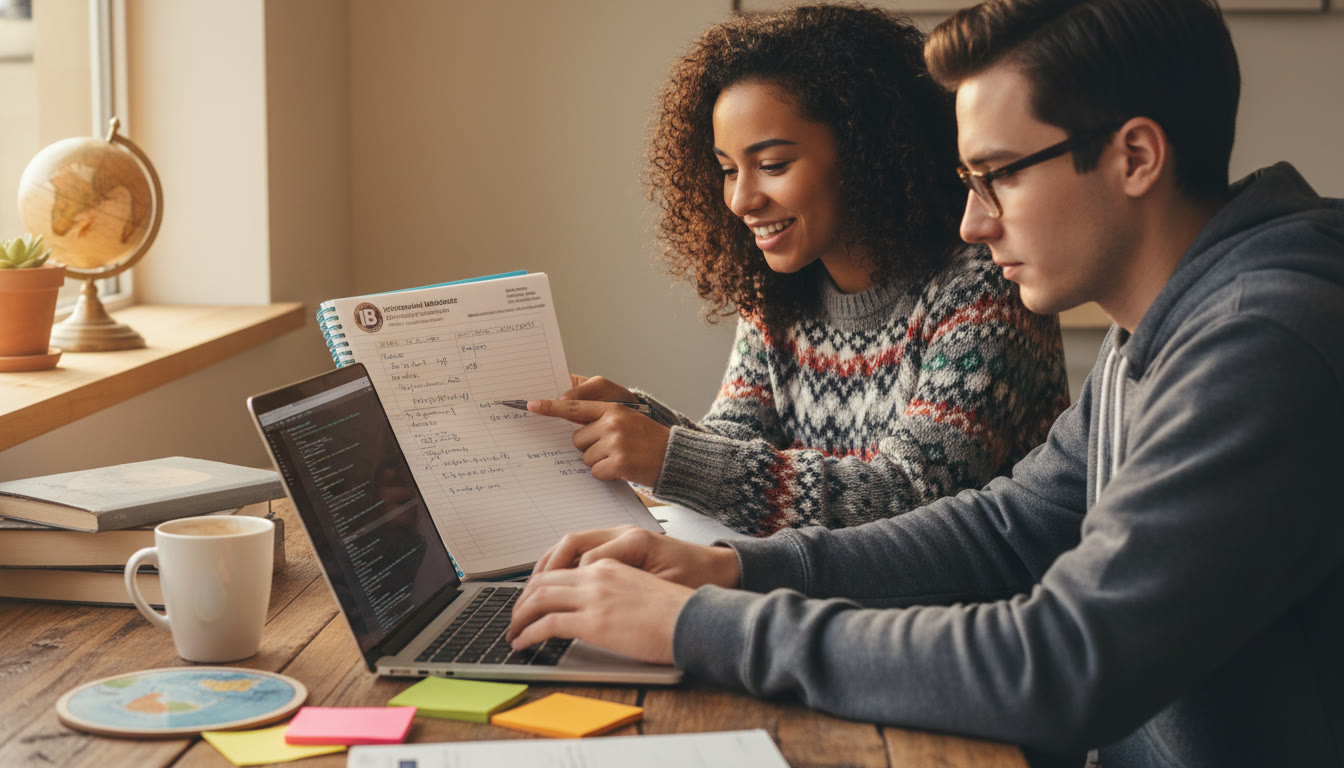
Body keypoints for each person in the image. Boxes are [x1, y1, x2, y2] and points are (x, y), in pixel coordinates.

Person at [506, 0, 1344, 765]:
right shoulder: (1162, 326)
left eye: (999, 176)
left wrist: (700, 625)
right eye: (966, 183)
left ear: (1134, 156)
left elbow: (1061, 663)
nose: (974, 222)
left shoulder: (1259, 340)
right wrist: (734, 571)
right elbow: (1010, 527)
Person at [526, 4, 1069, 535]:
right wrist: (638, 419)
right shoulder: (776, 292)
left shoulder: (984, 286)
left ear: (865, 151)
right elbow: (734, 443)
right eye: (727, 169)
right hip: (832, 601)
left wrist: (668, 455)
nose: (741, 199)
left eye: (772, 165)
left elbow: (909, 496)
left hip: (967, 614)